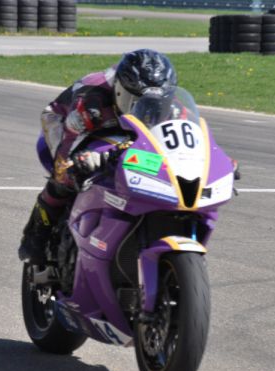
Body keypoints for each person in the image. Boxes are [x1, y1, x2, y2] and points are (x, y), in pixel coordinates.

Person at [18, 49, 178, 265]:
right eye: (137, 102)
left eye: (154, 103)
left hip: (124, 128)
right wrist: (75, 164)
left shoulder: (169, 102)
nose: (147, 109)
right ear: (121, 90)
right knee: (64, 176)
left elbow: (180, 137)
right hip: (69, 121)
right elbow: (68, 146)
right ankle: (36, 234)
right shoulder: (91, 101)